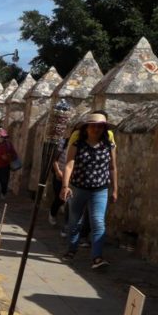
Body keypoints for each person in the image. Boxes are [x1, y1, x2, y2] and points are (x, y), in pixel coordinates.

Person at [60, 111, 118, 269]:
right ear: (86, 128)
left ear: (104, 128)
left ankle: (97, 258)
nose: (96, 129)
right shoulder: (78, 142)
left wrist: (115, 189)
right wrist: (65, 186)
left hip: (100, 189)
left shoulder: (108, 144)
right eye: (93, 126)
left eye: (100, 126)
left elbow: (112, 167)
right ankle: (71, 250)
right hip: (78, 188)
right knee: (74, 222)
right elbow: (69, 164)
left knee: (98, 222)